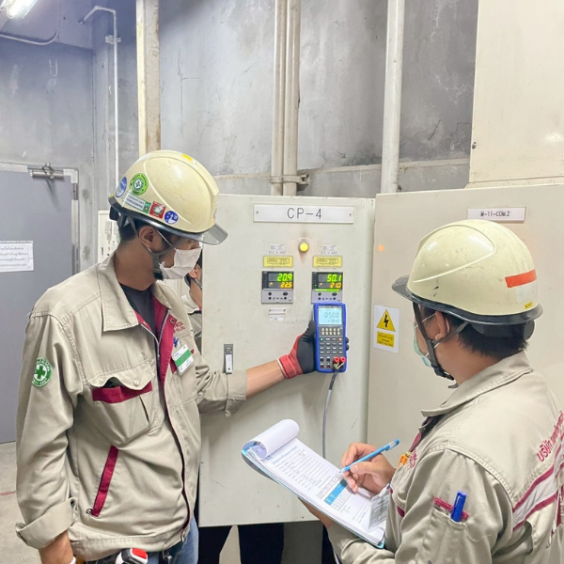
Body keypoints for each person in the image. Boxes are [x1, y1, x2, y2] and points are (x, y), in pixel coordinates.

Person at [15, 150, 318, 564]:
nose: (195, 249)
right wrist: (58, 555)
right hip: (117, 547)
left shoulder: (170, 308)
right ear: (150, 237)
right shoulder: (66, 318)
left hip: (181, 533)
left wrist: (290, 365)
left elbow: (202, 387)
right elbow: (39, 451)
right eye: (189, 240)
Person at [307, 220, 564, 563]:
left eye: (418, 316)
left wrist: (337, 528)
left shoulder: (459, 458)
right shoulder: (536, 393)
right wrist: (398, 485)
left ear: (438, 325)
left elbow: (464, 485)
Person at [182, 257, 285, 564]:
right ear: (195, 271)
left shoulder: (252, 313)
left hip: (258, 451)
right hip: (207, 460)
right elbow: (201, 390)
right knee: (203, 552)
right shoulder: (179, 320)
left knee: (265, 552)